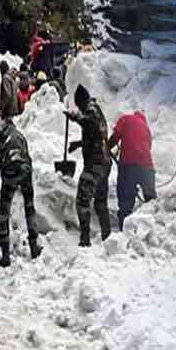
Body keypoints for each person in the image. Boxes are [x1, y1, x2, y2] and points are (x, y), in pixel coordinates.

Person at [0, 117, 40, 267]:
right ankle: (34, 246)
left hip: (10, 171)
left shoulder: (1, 131)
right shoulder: (20, 135)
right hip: (26, 169)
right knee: (29, 207)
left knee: (4, 212)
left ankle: (5, 254)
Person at [65, 84, 111, 246]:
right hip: (104, 162)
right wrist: (78, 144)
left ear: (82, 102)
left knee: (82, 200)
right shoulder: (96, 110)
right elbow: (96, 134)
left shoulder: (91, 110)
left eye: (79, 106)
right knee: (100, 202)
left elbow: (88, 123)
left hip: (96, 164)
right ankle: (108, 238)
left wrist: (75, 117)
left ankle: (85, 239)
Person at [109, 110, 156, 233]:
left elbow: (116, 136)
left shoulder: (126, 119)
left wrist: (107, 147)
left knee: (125, 199)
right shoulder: (146, 129)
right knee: (151, 203)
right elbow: (148, 147)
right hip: (148, 168)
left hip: (129, 165)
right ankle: (153, 231)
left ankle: (124, 233)